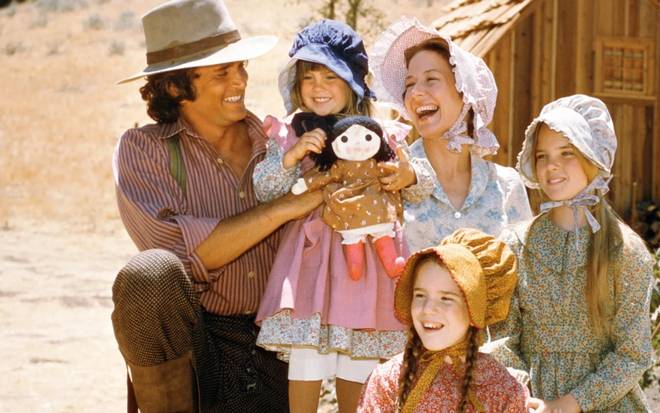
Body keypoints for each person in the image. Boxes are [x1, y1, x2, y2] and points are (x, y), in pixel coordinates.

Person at [111, 0, 321, 411]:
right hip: (196, 343)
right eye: (222, 72)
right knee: (148, 275)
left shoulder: (282, 144)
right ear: (175, 87)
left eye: (241, 66)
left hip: (281, 341)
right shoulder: (143, 150)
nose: (240, 80)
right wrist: (284, 208)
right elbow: (176, 253)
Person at [252, 20, 418, 413]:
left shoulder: (378, 134)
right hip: (312, 263)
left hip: (368, 266)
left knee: (358, 357)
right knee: (307, 355)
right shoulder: (292, 132)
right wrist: (292, 159)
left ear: (354, 81)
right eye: (308, 76)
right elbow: (265, 191)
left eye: (330, 74)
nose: (318, 86)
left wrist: (409, 175)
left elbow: (416, 183)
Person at [488, 95, 655, 412]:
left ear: (593, 158)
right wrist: (526, 397)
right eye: (542, 156)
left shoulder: (624, 250)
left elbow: (633, 353)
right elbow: (502, 339)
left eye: (567, 153)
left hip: (608, 403)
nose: (552, 166)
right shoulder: (515, 245)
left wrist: (569, 404)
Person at [370, 17, 533, 252]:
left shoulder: (506, 187)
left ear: (465, 93)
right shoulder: (392, 176)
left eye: (431, 79)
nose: (415, 93)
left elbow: (522, 278)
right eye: (410, 84)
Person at [358, 228, 529, 412]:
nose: (428, 308)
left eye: (446, 298)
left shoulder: (502, 388)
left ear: (474, 309)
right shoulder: (389, 379)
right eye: (420, 295)